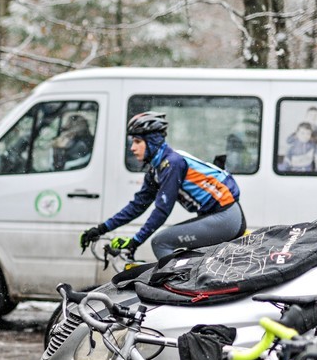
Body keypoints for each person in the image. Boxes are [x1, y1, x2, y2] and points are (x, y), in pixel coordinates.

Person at [79, 111, 245, 259]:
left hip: (226, 217)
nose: (132, 148)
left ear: (151, 142)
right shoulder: (157, 169)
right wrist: (100, 229)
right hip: (218, 217)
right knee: (187, 254)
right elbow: (137, 206)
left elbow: (162, 210)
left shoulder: (172, 163)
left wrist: (136, 241)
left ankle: (180, 291)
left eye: (137, 142)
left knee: (161, 242)